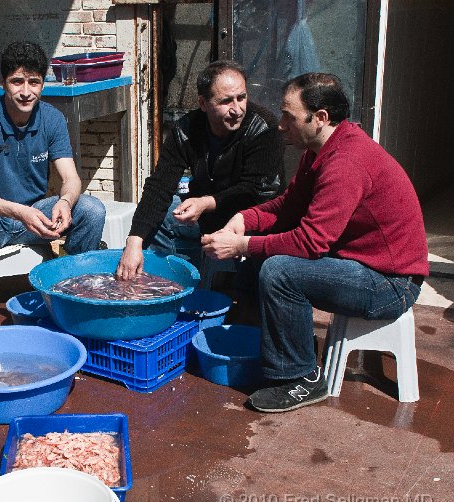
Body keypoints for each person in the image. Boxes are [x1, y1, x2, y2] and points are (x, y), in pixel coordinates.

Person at [201, 72, 429, 413]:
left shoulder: (346, 163)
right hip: (361, 263)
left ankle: (300, 379)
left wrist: (243, 245)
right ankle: (292, 347)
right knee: (270, 250)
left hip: (391, 283)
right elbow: (288, 208)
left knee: (280, 270)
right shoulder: (320, 150)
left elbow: (310, 243)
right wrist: (244, 221)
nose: (280, 125)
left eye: (289, 116)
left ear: (320, 118)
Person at [0, 41, 105, 331]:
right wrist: (19, 212)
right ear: (2, 82)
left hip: (36, 215)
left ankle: (70, 293)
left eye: (34, 82)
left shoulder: (53, 119)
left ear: (43, 83)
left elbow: (71, 179)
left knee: (92, 209)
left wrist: (65, 202)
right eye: (17, 81)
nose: (25, 91)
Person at [116, 60, 284, 281]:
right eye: (226, 101)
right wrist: (134, 241)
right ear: (203, 103)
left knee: (217, 280)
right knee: (163, 216)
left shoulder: (263, 127)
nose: (237, 109)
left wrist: (206, 202)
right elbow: (159, 185)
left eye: (241, 97)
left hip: (250, 218)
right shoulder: (186, 130)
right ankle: (167, 282)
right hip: (207, 213)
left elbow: (255, 191)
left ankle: (213, 286)